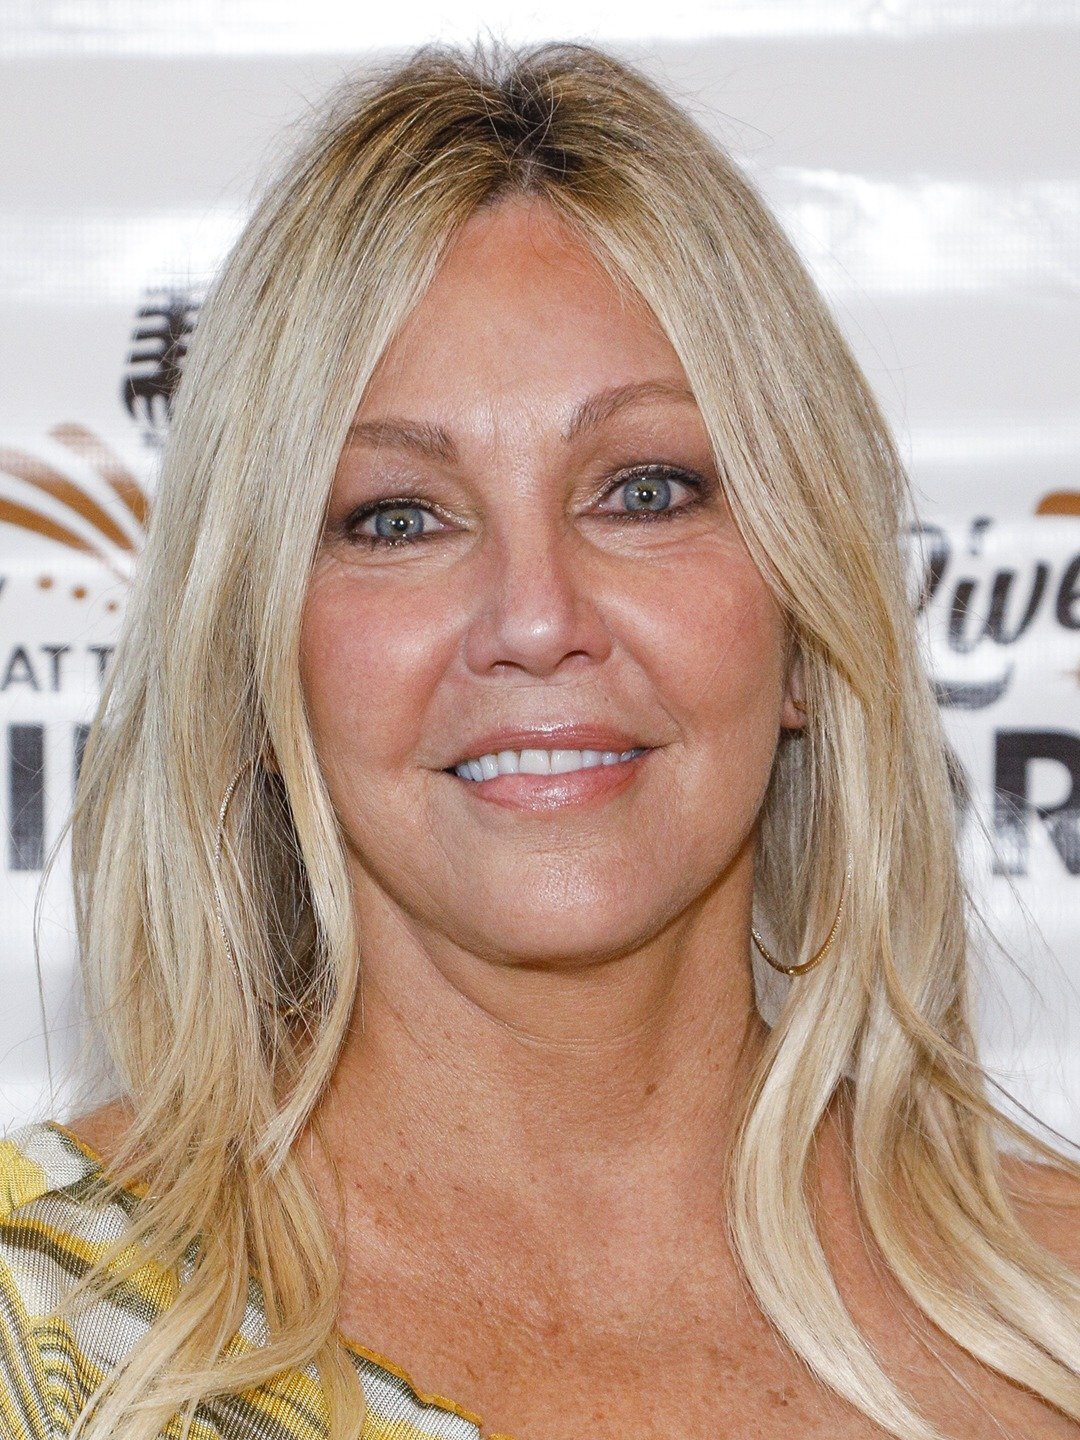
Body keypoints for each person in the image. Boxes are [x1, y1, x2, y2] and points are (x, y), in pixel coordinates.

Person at [1, 38, 1078, 1440]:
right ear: (259, 667)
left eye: (645, 491)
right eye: (398, 517)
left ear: (804, 621)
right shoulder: (47, 1339)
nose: (535, 617)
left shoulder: (1052, 1317)